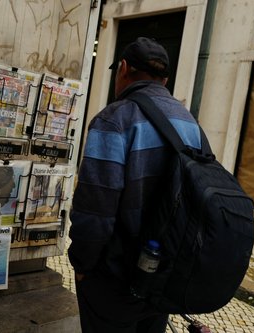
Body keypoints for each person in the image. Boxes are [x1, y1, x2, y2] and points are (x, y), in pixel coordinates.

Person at [69, 37, 202, 333]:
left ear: (124, 69)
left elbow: (95, 208)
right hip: (162, 279)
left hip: (114, 280)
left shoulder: (115, 119)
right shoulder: (190, 123)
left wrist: (82, 264)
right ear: (165, 79)